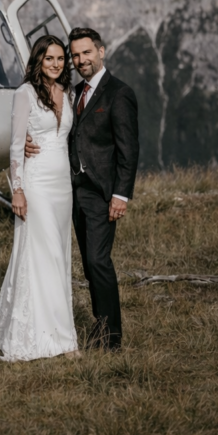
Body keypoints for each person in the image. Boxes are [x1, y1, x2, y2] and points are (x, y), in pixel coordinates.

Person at [26, 27, 139, 350]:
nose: (80, 60)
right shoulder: (73, 93)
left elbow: (129, 149)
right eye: (75, 55)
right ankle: (100, 328)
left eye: (86, 52)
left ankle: (111, 339)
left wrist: (121, 195)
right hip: (71, 191)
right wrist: (27, 141)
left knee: (98, 261)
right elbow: (58, 131)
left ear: (101, 52)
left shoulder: (119, 93)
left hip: (102, 193)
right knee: (89, 266)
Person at [0, 35, 80, 362]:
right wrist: (16, 190)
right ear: (38, 61)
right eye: (49, 59)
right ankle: (61, 342)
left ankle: (55, 331)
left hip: (63, 187)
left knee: (59, 257)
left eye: (60, 59)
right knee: (45, 256)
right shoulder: (24, 94)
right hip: (36, 184)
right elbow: (16, 146)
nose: (56, 64)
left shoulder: (67, 92)